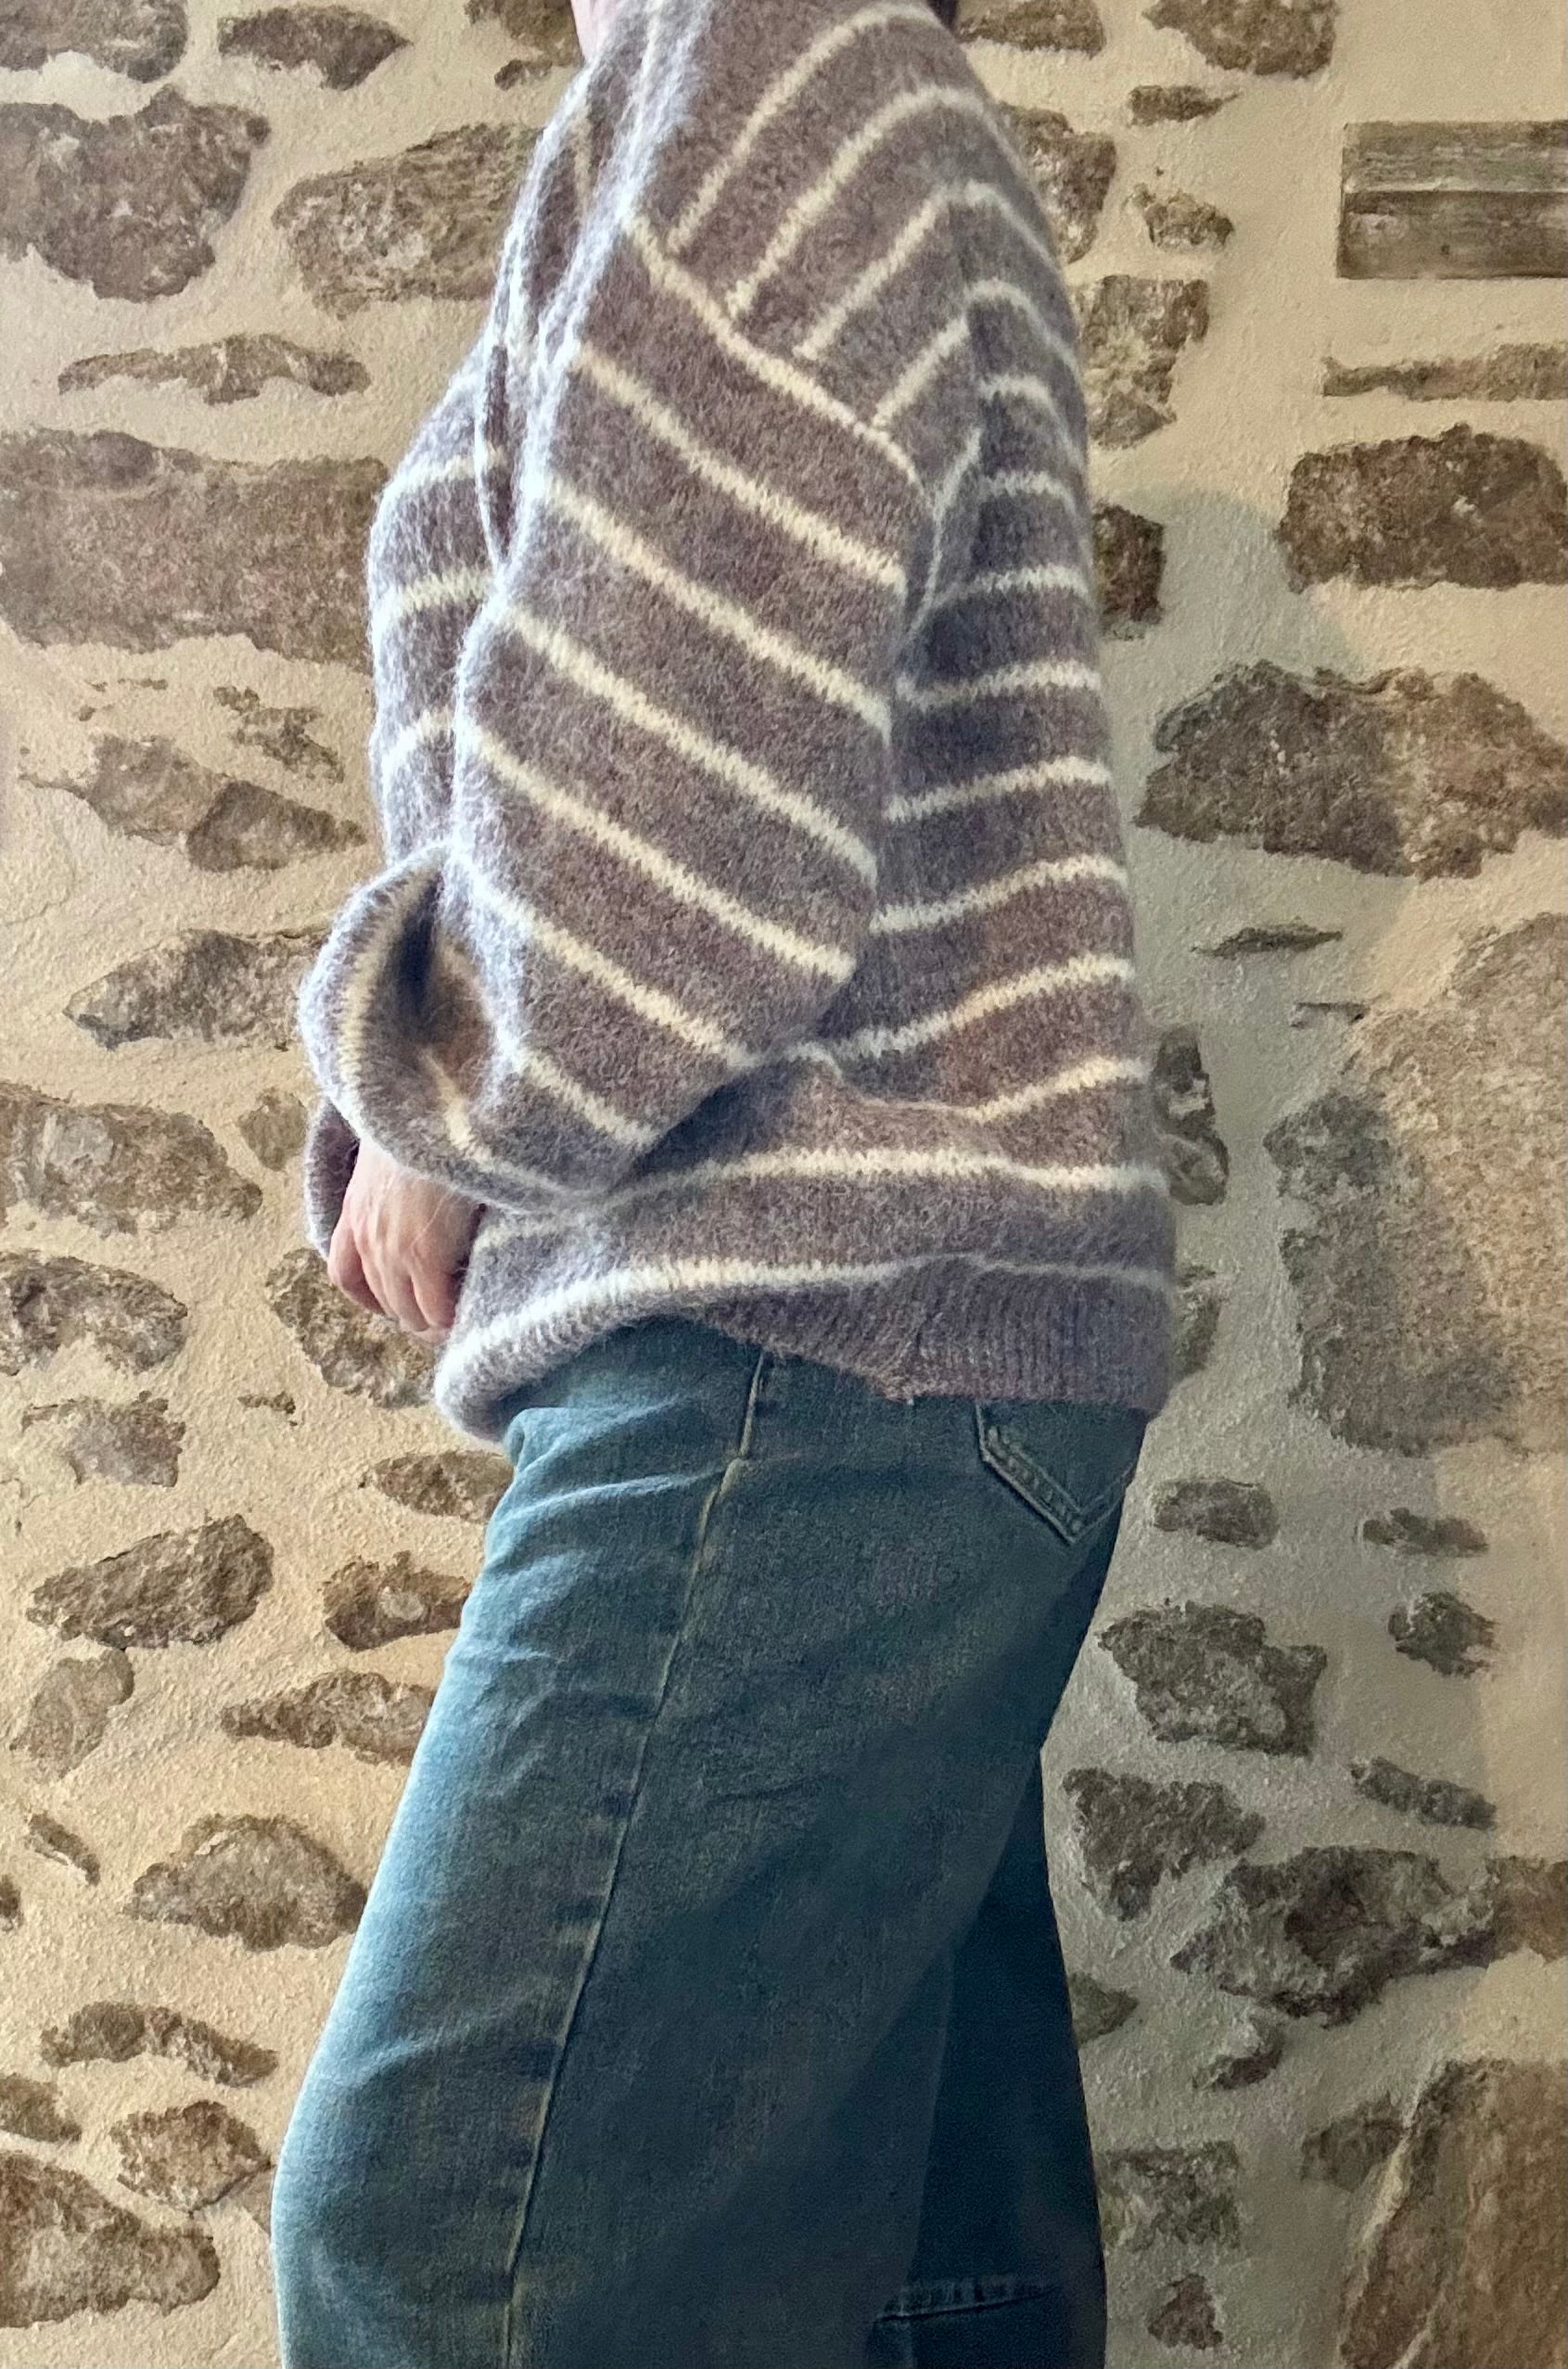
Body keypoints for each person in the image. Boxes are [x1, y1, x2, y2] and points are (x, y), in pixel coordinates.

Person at [270, 0, 1177, 2362]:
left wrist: (445, 1100)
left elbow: (672, 816)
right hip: (882, 1346)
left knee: (442, 2247)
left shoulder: (773, 59)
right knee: (915, 2292)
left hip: (808, 1343)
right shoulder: (741, 83)